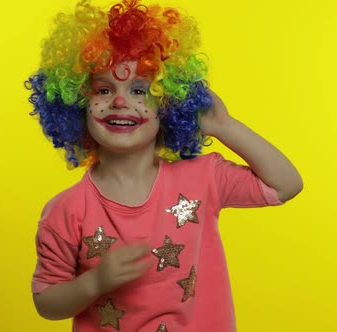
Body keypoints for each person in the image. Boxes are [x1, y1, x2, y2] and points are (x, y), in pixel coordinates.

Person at [24, 0, 303, 331]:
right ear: (76, 104)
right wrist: (94, 283)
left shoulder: (203, 179)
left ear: (169, 104)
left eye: (140, 90)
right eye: (103, 89)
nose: (119, 101)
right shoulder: (65, 211)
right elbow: (46, 301)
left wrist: (225, 126)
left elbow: (286, 184)